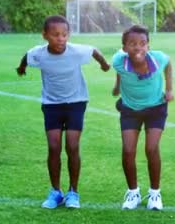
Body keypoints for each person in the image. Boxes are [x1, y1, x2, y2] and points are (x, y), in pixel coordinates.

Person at [16, 15, 110, 209]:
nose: (61, 39)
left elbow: (94, 51)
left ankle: (73, 192)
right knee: (53, 147)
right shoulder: (39, 54)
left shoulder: (76, 51)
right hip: (51, 105)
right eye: (55, 35)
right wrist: (21, 67)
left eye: (64, 35)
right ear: (45, 35)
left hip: (76, 102)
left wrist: (104, 64)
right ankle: (56, 192)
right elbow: (27, 56)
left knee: (72, 146)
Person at [112, 25, 174, 211]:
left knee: (151, 148)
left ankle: (155, 193)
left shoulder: (159, 58)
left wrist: (170, 89)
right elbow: (119, 71)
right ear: (124, 47)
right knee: (128, 150)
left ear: (148, 46)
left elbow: (169, 65)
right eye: (132, 44)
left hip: (156, 108)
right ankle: (133, 192)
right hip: (130, 110)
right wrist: (117, 87)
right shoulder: (118, 61)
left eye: (142, 43)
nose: (138, 47)